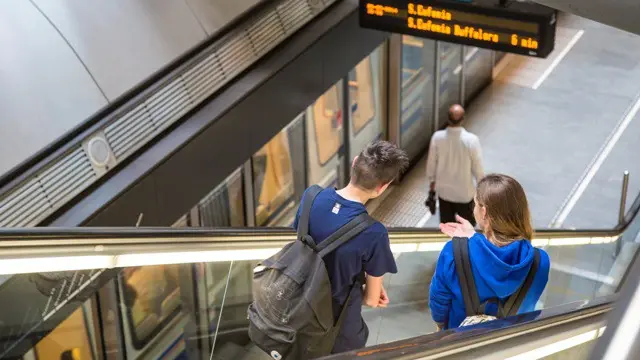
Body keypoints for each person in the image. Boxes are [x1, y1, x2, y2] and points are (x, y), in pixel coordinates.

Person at [293, 140, 409, 353]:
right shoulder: (375, 233)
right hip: (338, 330)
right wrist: (366, 287)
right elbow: (372, 300)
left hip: (296, 311)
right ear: (382, 188)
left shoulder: (311, 197)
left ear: (354, 163)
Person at [429, 174, 550, 330]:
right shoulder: (540, 262)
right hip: (503, 342)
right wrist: (473, 238)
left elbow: (439, 303)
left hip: (458, 339)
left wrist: (441, 329)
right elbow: (528, 304)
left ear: (484, 212)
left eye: (475, 204)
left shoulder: (453, 252)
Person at [426, 104, 484, 225]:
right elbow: (478, 169)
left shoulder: (437, 138)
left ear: (447, 119)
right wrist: (482, 192)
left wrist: (432, 187)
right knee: (467, 228)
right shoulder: (471, 140)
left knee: (448, 228)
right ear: (463, 119)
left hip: (444, 193)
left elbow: (431, 165)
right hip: (465, 194)